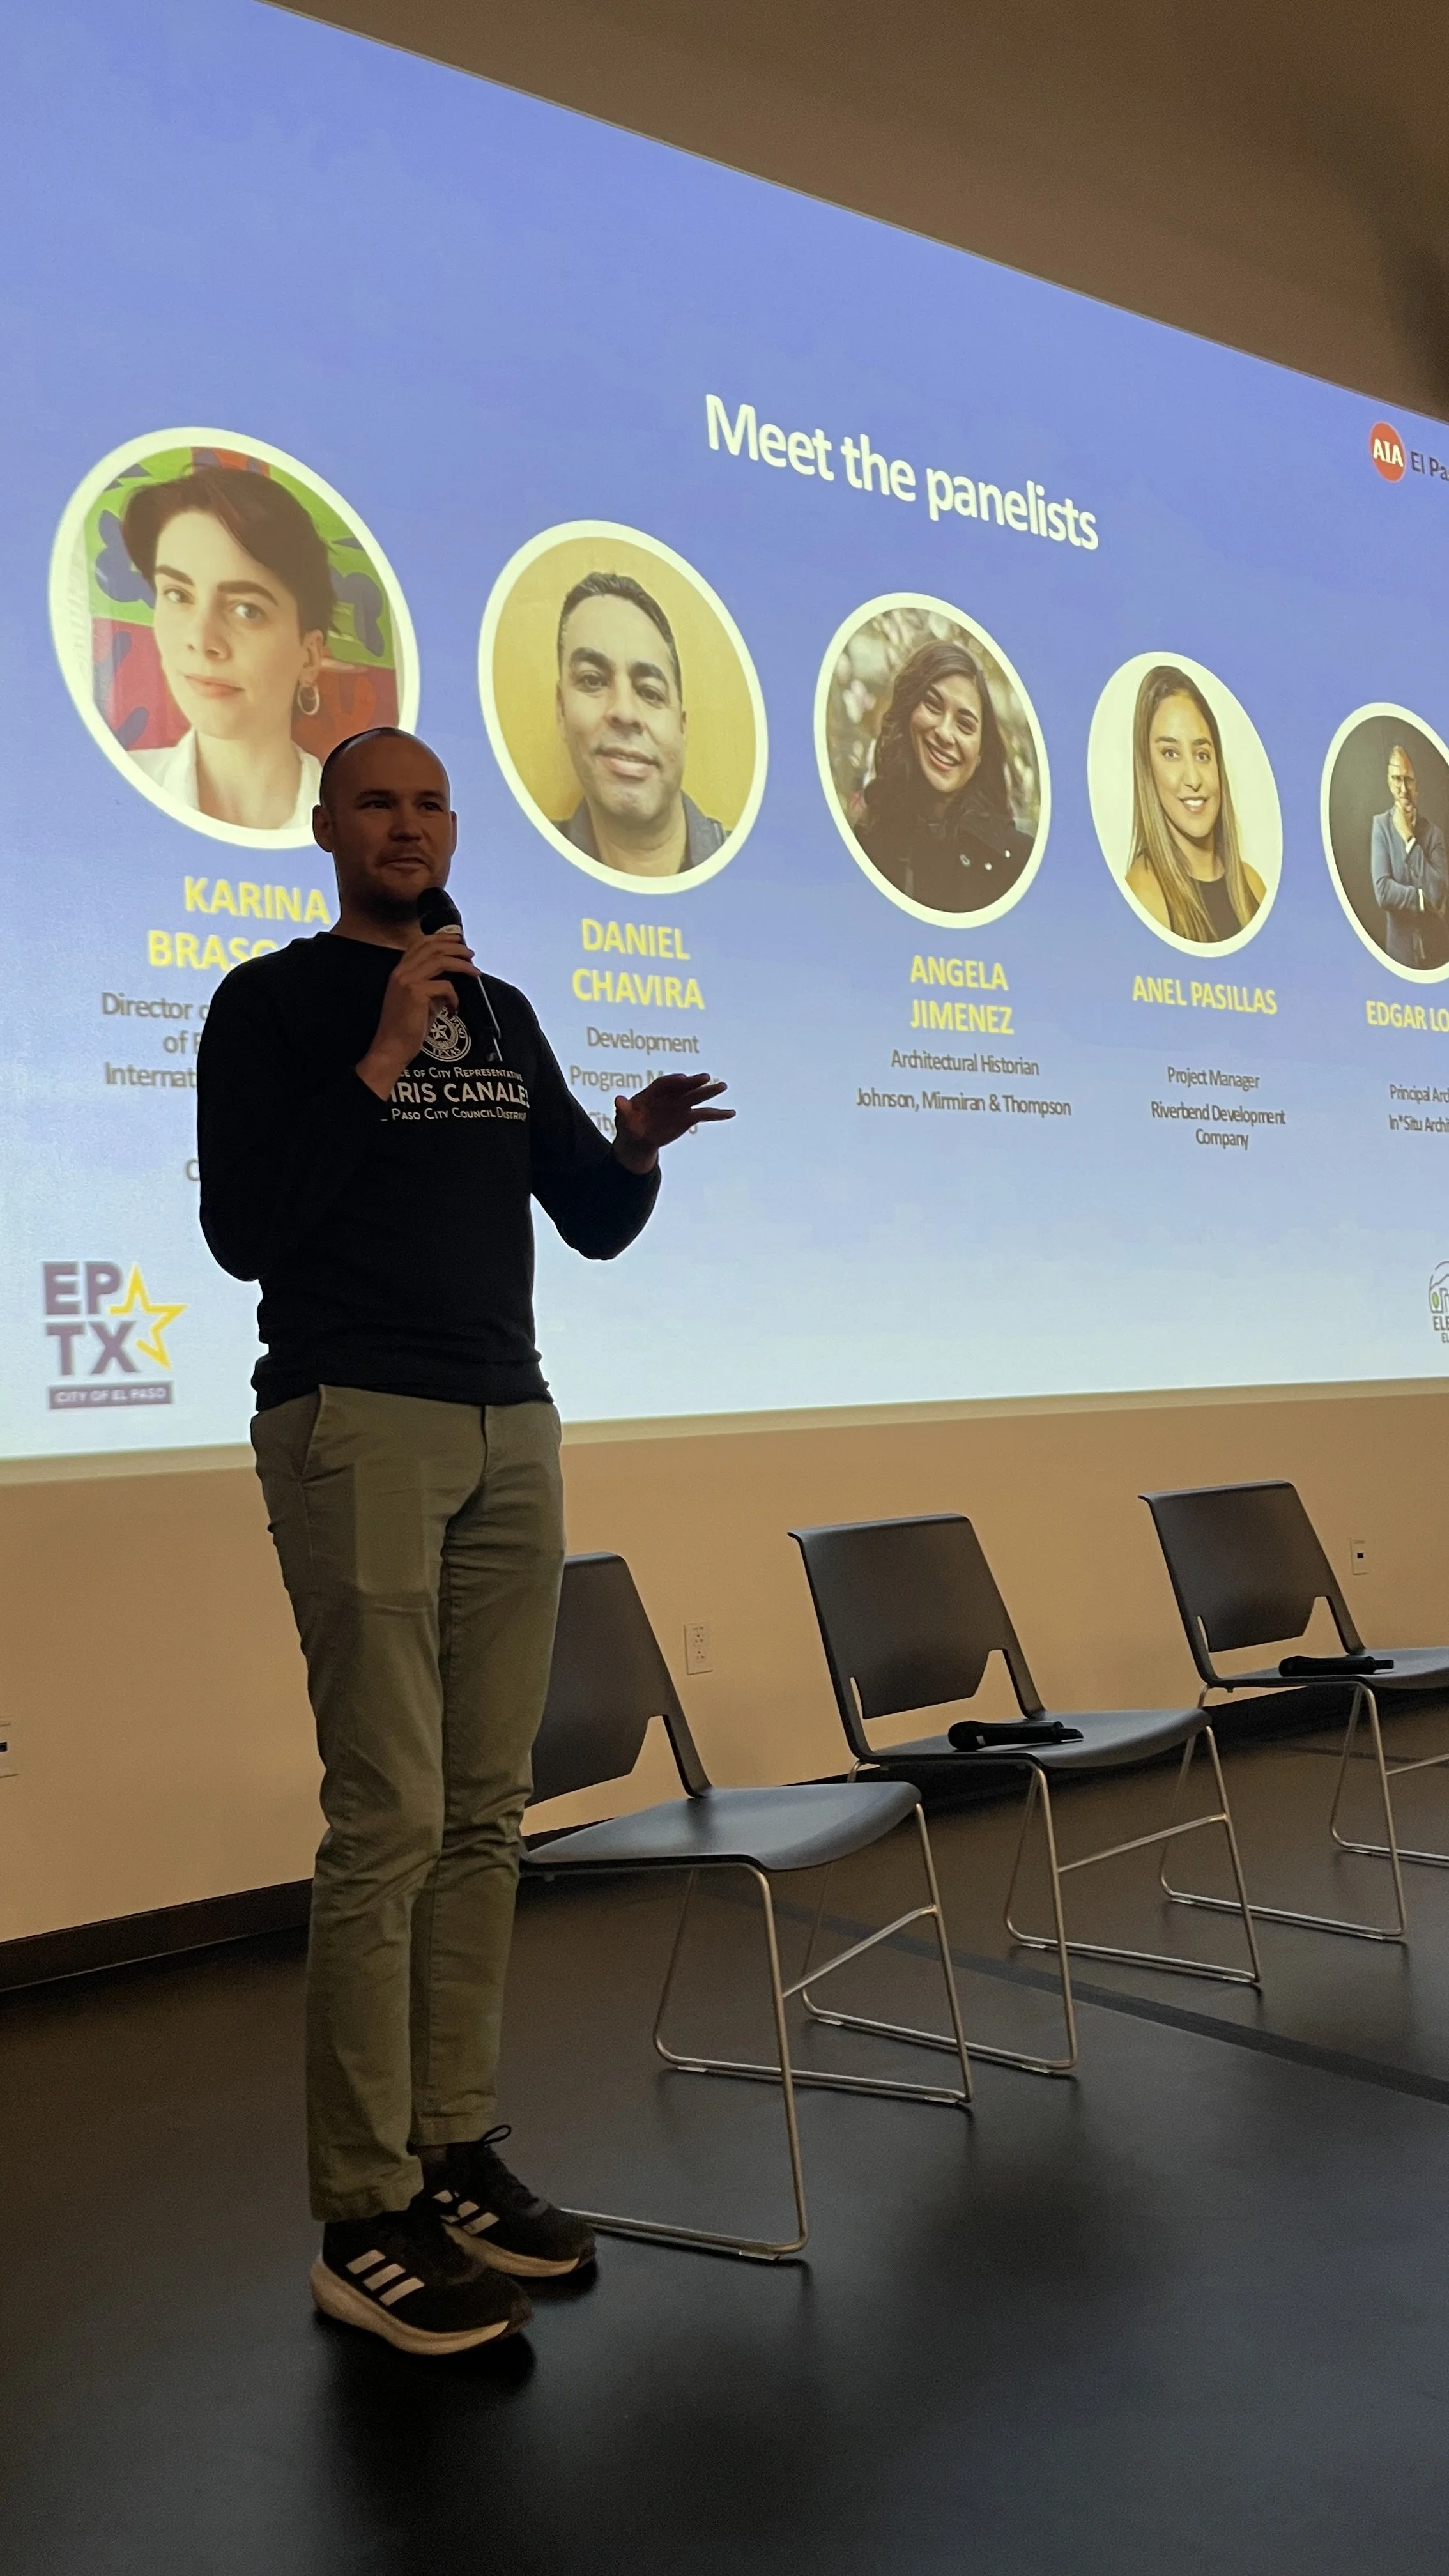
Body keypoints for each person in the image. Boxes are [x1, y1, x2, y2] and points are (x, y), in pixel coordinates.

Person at [196, 726, 730, 2358]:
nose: (410, 824)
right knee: (390, 1818)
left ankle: (453, 2149)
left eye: (431, 801)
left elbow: (586, 1215)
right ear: (326, 825)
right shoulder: (272, 1004)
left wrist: (632, 1147)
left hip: (514, 1422)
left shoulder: (497, 1012)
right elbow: (242, 1232)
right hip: (356, 1417)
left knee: (487, 1814)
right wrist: (378, 1051)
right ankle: (362, 2213)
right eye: (379, 800)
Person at [120, 464, 333, 834]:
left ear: (310, 656)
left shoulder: (357, 827)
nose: (202, 641)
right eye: (177, 595)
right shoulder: (116, 787)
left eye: (247, 610)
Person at [556, 571, 726, 876]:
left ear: (682, 726)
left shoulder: (748, 870)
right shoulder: (524, 872)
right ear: (561, 709)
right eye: (593, 680)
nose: (624, 713)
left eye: (649, 692)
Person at [852, 637, 1034, 911]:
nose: (945, 733)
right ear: (908, 713)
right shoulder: (868, 841)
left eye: (965, 724)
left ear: (982, 752)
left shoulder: (1021, 864)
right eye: (934, 706)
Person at [1124, 665, 1264, 943]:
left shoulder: (1252, 885)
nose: (1193, 779)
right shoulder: (1143, 894)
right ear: (1147, 769)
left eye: (1202, 755)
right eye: (1171, 753)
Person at [1370, 743, 1448, 968]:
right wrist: (1420, 899)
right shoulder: (1380, 827)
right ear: (1389, 782)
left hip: (1437, 955)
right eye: (1397, 779)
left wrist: (1408, 838)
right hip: (1398, 957)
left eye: (1408, 780)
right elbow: (1383, 891)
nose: (1403, 789)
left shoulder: (1434, 834)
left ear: (1417, 786)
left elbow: (1438, 892)